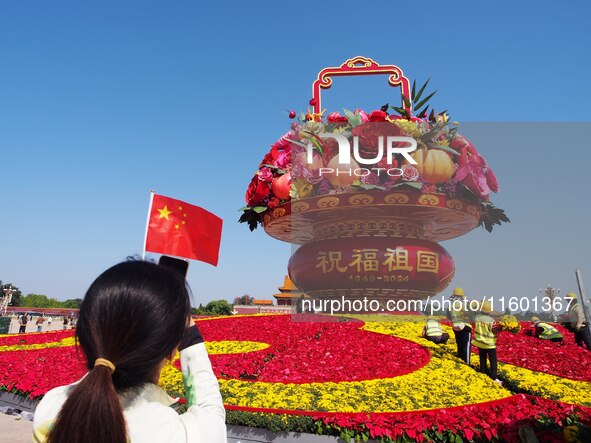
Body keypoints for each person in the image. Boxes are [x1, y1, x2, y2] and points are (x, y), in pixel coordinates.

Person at [32, 260, 226, 443]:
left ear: (85, 334)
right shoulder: (176, 433)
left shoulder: (51, 406)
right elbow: (209, 410)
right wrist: (189, 334)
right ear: (172, 349)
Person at [472, 301, 502, 384]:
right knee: (493, 360)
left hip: (480, 342)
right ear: (489, 311)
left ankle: (483, 373)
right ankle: (494, 377)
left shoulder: (476, 317)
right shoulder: (491, 320)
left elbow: (474, 325)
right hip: (489, 344)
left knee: (482, 358)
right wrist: (501, 328)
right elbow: (494, 331)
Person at [447, 287, 472, 364]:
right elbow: (469, 314)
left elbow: (449, 316)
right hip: (464, 326)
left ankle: (460, 361)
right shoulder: (463, 304)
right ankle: (467, 363)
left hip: (455, 326)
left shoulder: (451, 305)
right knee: (466, 346)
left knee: (460, 345)